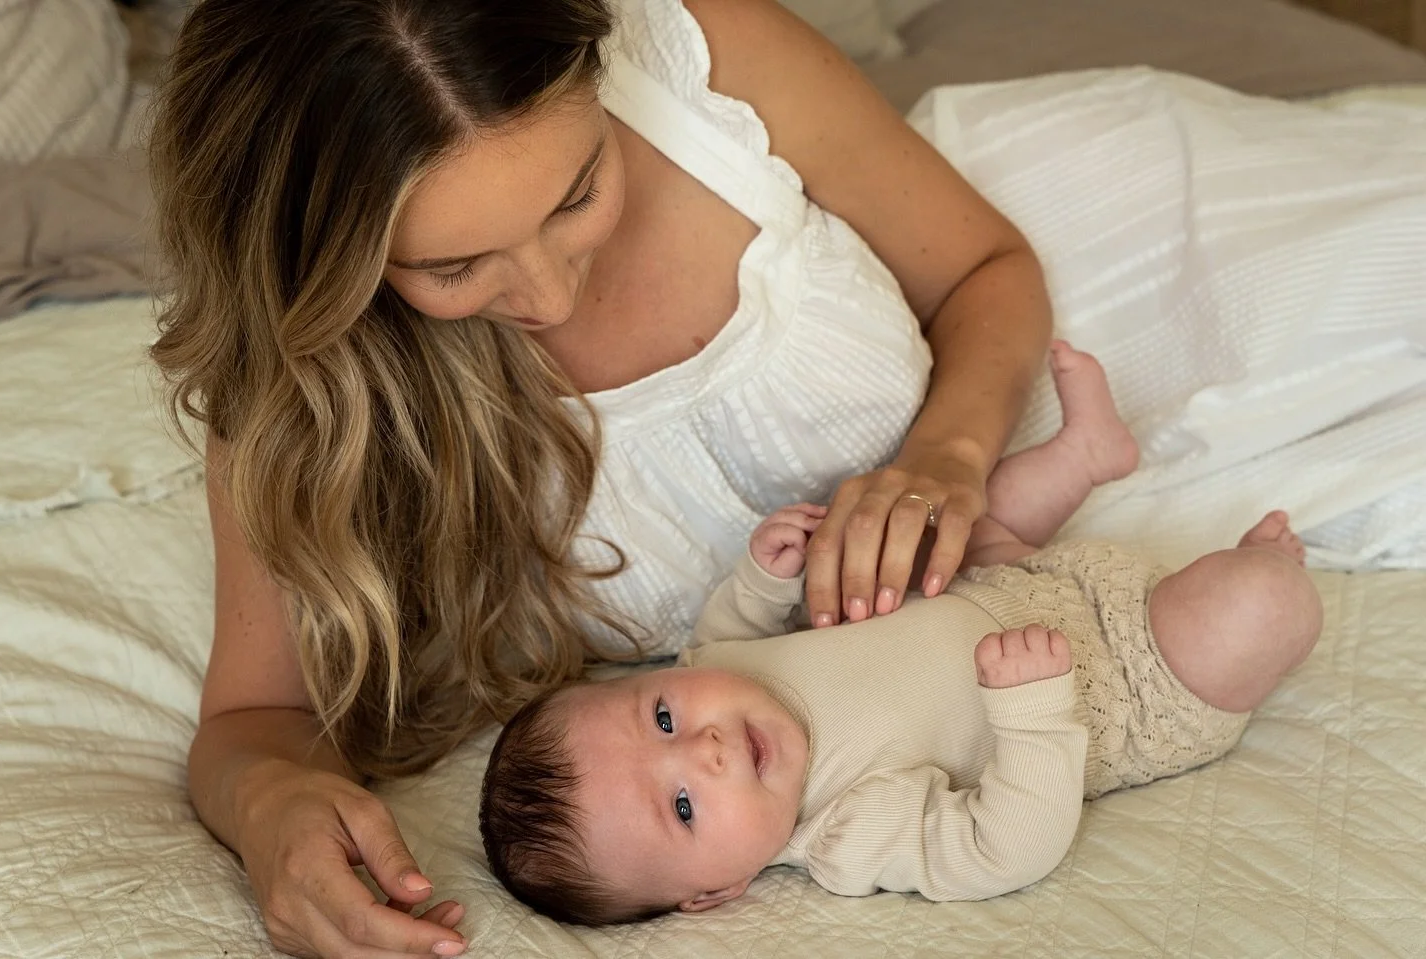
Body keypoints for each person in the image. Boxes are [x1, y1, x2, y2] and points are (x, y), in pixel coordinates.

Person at [147, 0, 1053, 955]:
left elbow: (985, 268)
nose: (548, 296)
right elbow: (257, 717)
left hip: (1025, 483)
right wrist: (270, 803)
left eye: (577, 193)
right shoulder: (308, 389)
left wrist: (946, 454)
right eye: (453, 264)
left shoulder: (703, 55)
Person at [478, 342, 1323, 924]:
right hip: (1124, 678)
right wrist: (1030, 716)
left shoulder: (718, 663)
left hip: (1004, 578)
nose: (701, 746)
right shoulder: (845, 832)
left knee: (968, 514)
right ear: (716, 890)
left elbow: (726, 625)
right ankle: (1266, 573)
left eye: (660, 716)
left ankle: (1088, 453)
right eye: (685, 806)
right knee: (1252, 607)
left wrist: (764, 574)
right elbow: (1002, 852)